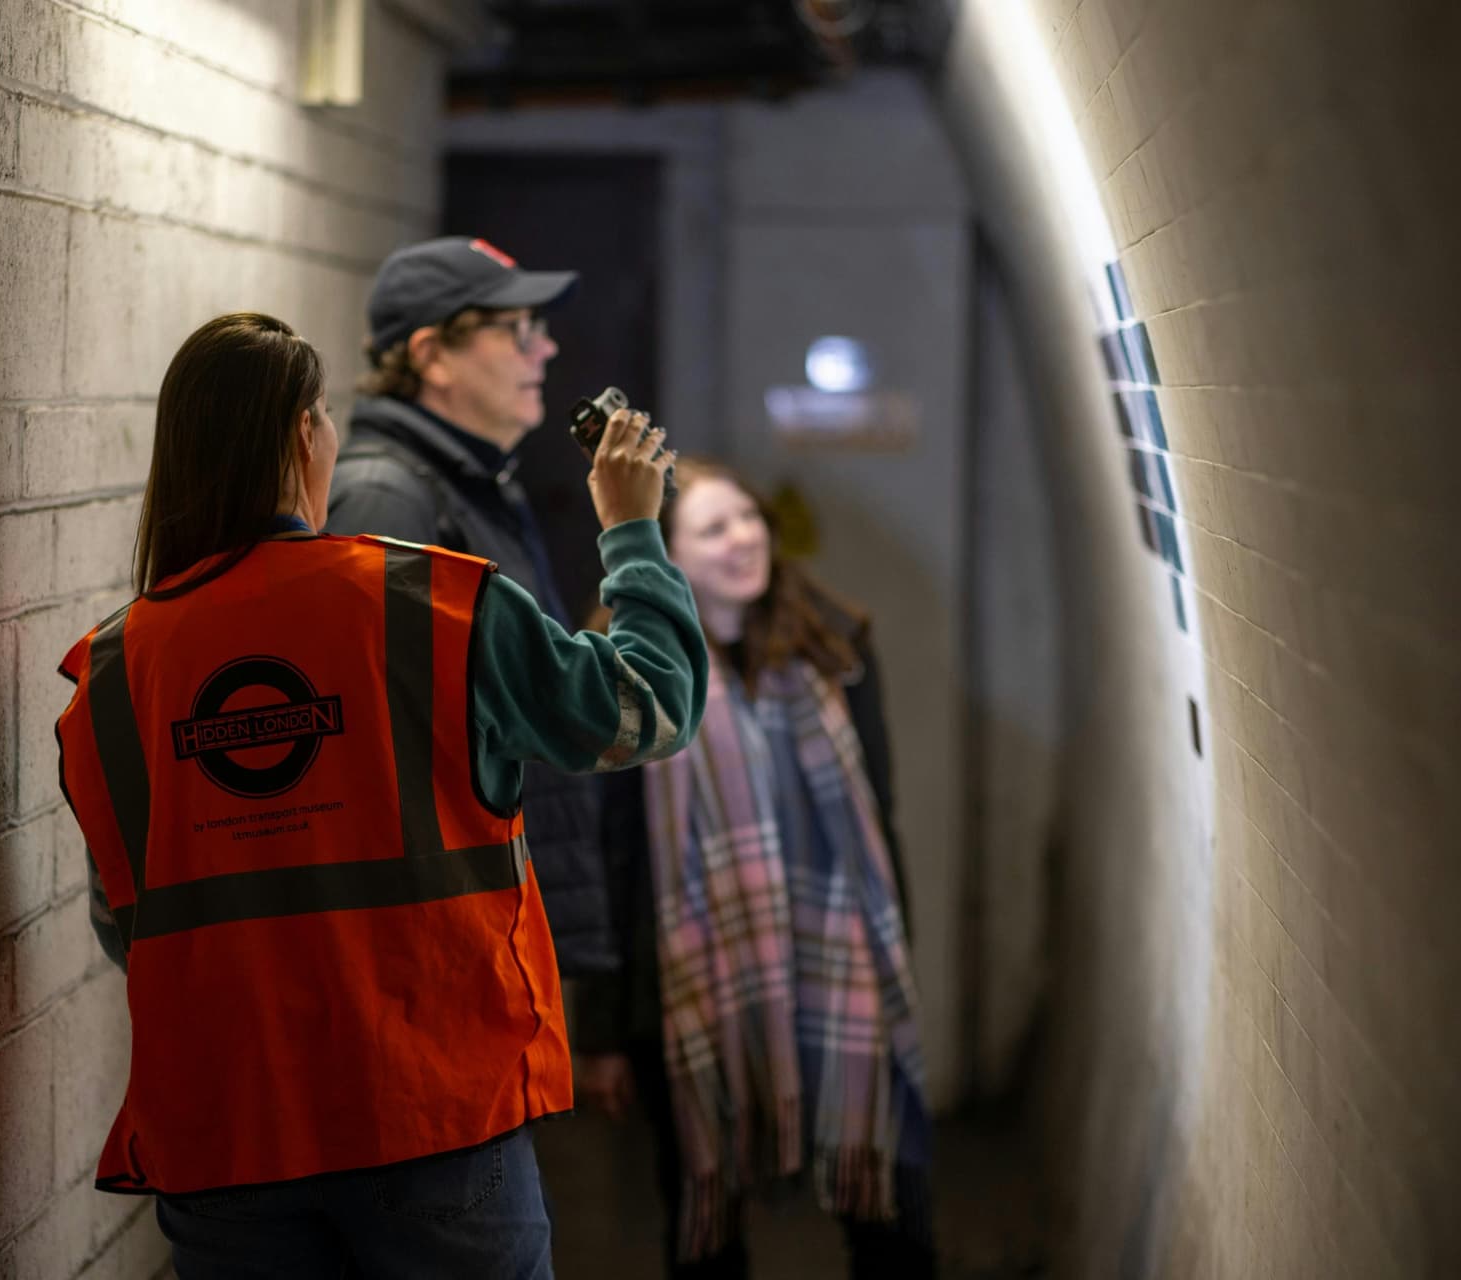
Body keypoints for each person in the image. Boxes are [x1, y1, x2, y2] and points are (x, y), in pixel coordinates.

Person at [54, 312, 704, 1279]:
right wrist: (634, 529)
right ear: (305, 438)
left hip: (227, 1136)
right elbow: (647, 706)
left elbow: (128, 927)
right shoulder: (433, 603)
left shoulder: (109, 676)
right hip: (429, 1111)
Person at [573, 459, 934, 1279]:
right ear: (665, 557)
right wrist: (601, 1030)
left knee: (891, 1205)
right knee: (704, 1225)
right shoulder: (623, 678)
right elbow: (613, 858)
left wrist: (895, 956)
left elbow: (879, 822)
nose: (745, 539)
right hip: (694, 989)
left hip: (839, 973)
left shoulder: (836, 650)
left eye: (749, 519)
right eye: (714, 528)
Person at [324, 236, 628, 978]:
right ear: (431, 355)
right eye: (519, 331)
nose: (546, 351)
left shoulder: (469, 484)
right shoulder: (387, 496)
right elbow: (380, 757)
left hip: (493, 925)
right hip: (449, 946)